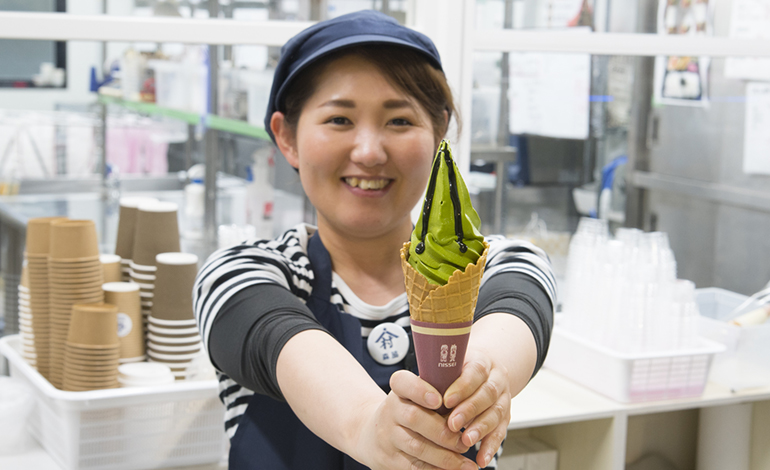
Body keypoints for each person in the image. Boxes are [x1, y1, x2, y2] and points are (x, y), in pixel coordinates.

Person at [194, 10, 556, 470]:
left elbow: (514, 317)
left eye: (400, 121)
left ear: (438, 130)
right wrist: (369, 426)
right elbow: (279, 337)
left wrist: (483, 380)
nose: (369, 151)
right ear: (287, 137)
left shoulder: (496, 264)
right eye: (340, 119)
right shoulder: (244, 275)